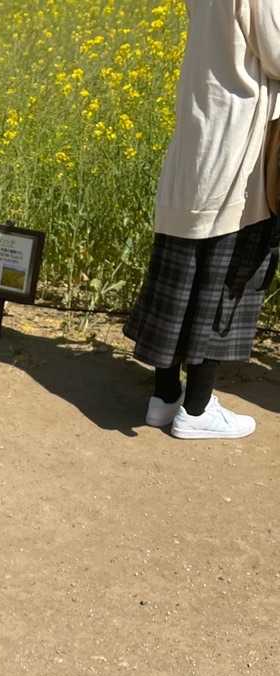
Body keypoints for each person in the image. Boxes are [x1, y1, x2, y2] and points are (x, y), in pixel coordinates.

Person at [124, 0, 280, 440]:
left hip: (198, 133)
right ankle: (196, 410)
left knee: (181, 269)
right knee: (226, 277)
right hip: (237, 144)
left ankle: (164, 397)